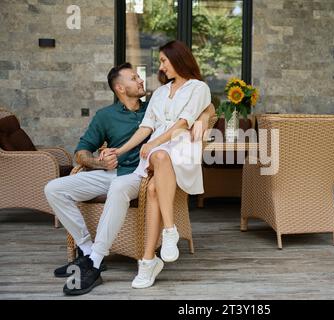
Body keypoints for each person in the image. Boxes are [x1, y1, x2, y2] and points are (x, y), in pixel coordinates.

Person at [44, 61, 214, 296]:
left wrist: (205, 115)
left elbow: (200, 105)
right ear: (120, 88)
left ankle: (94, 262)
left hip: (141, 175)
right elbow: (81, 152)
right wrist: (98, 162)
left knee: (119, 188)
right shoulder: (105, 116)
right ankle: (87, 249)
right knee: (54, 189)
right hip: (112, 172)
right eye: (134, 78)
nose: (141, 80)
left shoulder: (156, 106)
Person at [100, 40, 211, 289]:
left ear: (178, 59)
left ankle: (168, 233)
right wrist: (122, 149)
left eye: (163, 61)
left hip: (181, 148)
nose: (161, 67)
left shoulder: (198, 88)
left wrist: (154, 144)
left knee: (155, 178)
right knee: (154, 181)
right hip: (159, 150)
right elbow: (146, 127)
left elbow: (183, 123)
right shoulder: (160, 93)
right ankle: (149, 260)